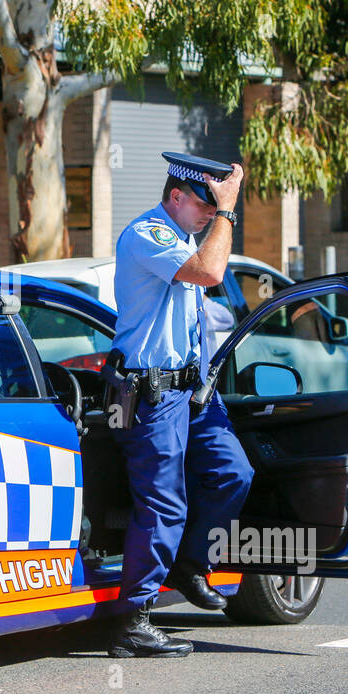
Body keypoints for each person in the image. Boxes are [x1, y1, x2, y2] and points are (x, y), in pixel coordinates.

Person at [103, 151, 255, 658]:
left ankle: (188, 565)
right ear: (175, 196)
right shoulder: (149, 234)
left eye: (216, 209)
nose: (212, 215)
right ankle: (133, 620)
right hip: (152, 393)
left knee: (233, 471)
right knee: (163, 503)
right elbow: (211, 272)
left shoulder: (185, 236)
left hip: (190, 392)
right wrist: (230, 209)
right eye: (204, 206)